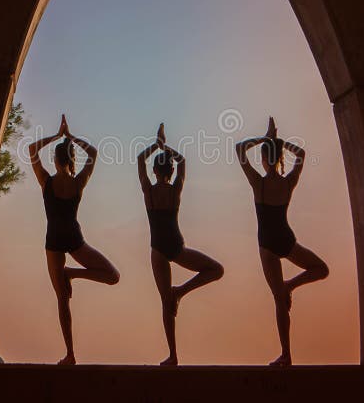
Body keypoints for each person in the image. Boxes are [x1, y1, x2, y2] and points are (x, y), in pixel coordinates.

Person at [235, 116, 329, 366]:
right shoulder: (288, 183)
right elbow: (301, 154)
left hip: (267, 244)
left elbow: (239, 149)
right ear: (279, 158)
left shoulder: (258, 184)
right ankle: (290, 286)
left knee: (279, 300)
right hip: (286, 239)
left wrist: (266, 138)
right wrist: (278, 142)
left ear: (264, 159)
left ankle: (286, 353)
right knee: (321, 269)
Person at [28, 114, 120, 365]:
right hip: (73, 239)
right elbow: (94, 153)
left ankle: (70, 353)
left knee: (62, 298)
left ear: (56, 160)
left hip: (54, 241)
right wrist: (71, 137)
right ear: (71, 160)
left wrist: (57, 136)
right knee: (112, 276)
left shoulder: (46, 181)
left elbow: (32, 149)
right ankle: (72, 274)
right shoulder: (79, 182)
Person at [138, 123, 224, 366]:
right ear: (171, 170)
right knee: (216, 270)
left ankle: (173, 354)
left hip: (158, 249)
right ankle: (180, 292)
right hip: (176, 246)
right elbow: (183, 162)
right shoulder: (175, 190)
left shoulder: (149, 192)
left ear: (154, 170)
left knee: (166, 302)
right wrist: (166, 148)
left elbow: (139, 160)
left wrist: (156, 144)